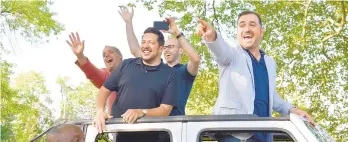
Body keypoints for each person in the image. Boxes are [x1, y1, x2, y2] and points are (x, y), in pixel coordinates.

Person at [195, 11, 314, 142]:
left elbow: (271, 97)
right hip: (234, 134)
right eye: (242, 25)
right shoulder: (232, 55)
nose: (247, 29)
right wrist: (212, 36)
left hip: (263, 134)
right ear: (237, 32)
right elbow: (221, 50)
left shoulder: (269, 62)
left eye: (252, 25)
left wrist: (293, 110)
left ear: (261, 31)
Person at [93, 27, 178, 142]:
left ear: (161, 49)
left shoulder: (171, 74)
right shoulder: (126, 65)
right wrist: (99, 111)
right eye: (143, 42)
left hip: (153, 137)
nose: (145, 46)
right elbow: (103, 91)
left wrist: (141, 112)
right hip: (120, 135)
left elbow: (165, 109)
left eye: (151, 42)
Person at [119, 6, 200, 115]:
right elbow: (135, 50)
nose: (167, 50)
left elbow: (195, 59)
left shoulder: (184, 71)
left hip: (176, 125)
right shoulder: (157, 68)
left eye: (171, 46)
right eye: (165, 47)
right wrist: (128, 23)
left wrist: (176, 33)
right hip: (155, 123)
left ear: (181, 51)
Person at [66, 32, 123, 114]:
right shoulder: (107, 75)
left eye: (110, 52)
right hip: (115, 124)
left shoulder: (133, 69)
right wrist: (80, 55)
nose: (106, 55)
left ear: (120, 57)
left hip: (141, 121)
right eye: (104, 55)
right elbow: (93, 73)